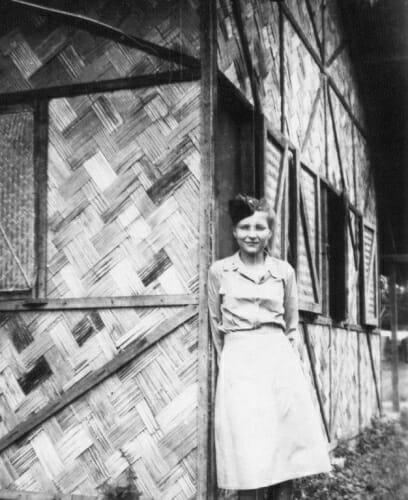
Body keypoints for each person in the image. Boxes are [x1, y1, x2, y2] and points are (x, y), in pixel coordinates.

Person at [208, 194, 331, 498]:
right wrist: (232, 365)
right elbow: (215, 325)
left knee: (283, 445)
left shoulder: (284, 272)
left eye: (259, 228)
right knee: (247, 448)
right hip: (239, 365)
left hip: (277, 362)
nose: (252, 234)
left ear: (269, 233)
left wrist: (284, 363)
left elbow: (291, 326)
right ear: (234, 232)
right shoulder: (219, 272)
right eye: (245, 227)